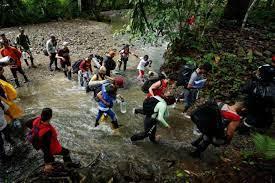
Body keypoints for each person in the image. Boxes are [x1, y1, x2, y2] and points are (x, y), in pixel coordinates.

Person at [28, 108, 74, 172]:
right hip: (52, 148)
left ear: (41, 115)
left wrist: (36, 132)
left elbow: (27, 123)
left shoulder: (36, 120)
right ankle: (70, 168)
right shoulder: (47, 131)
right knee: (66, 152)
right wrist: (47, 162)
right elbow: (47, 148)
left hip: (40, 144)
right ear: (50, 117)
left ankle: (51, 165)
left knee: (51, 158)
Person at [240, 56, 275, 131]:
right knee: (261, 115)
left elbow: (244, 89)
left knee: (253, 115)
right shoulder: (270, 84)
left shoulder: (264, 68)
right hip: (264, 102)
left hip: (256, 100)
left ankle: (245, 129)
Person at [0, 99, 15, 163]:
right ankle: (3, 156)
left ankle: (10, 142)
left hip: (4, 125)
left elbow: (7, 111)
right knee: (0, 143)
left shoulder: (1, 104)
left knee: (7, 136)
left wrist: (13, 118)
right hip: (3, 124)